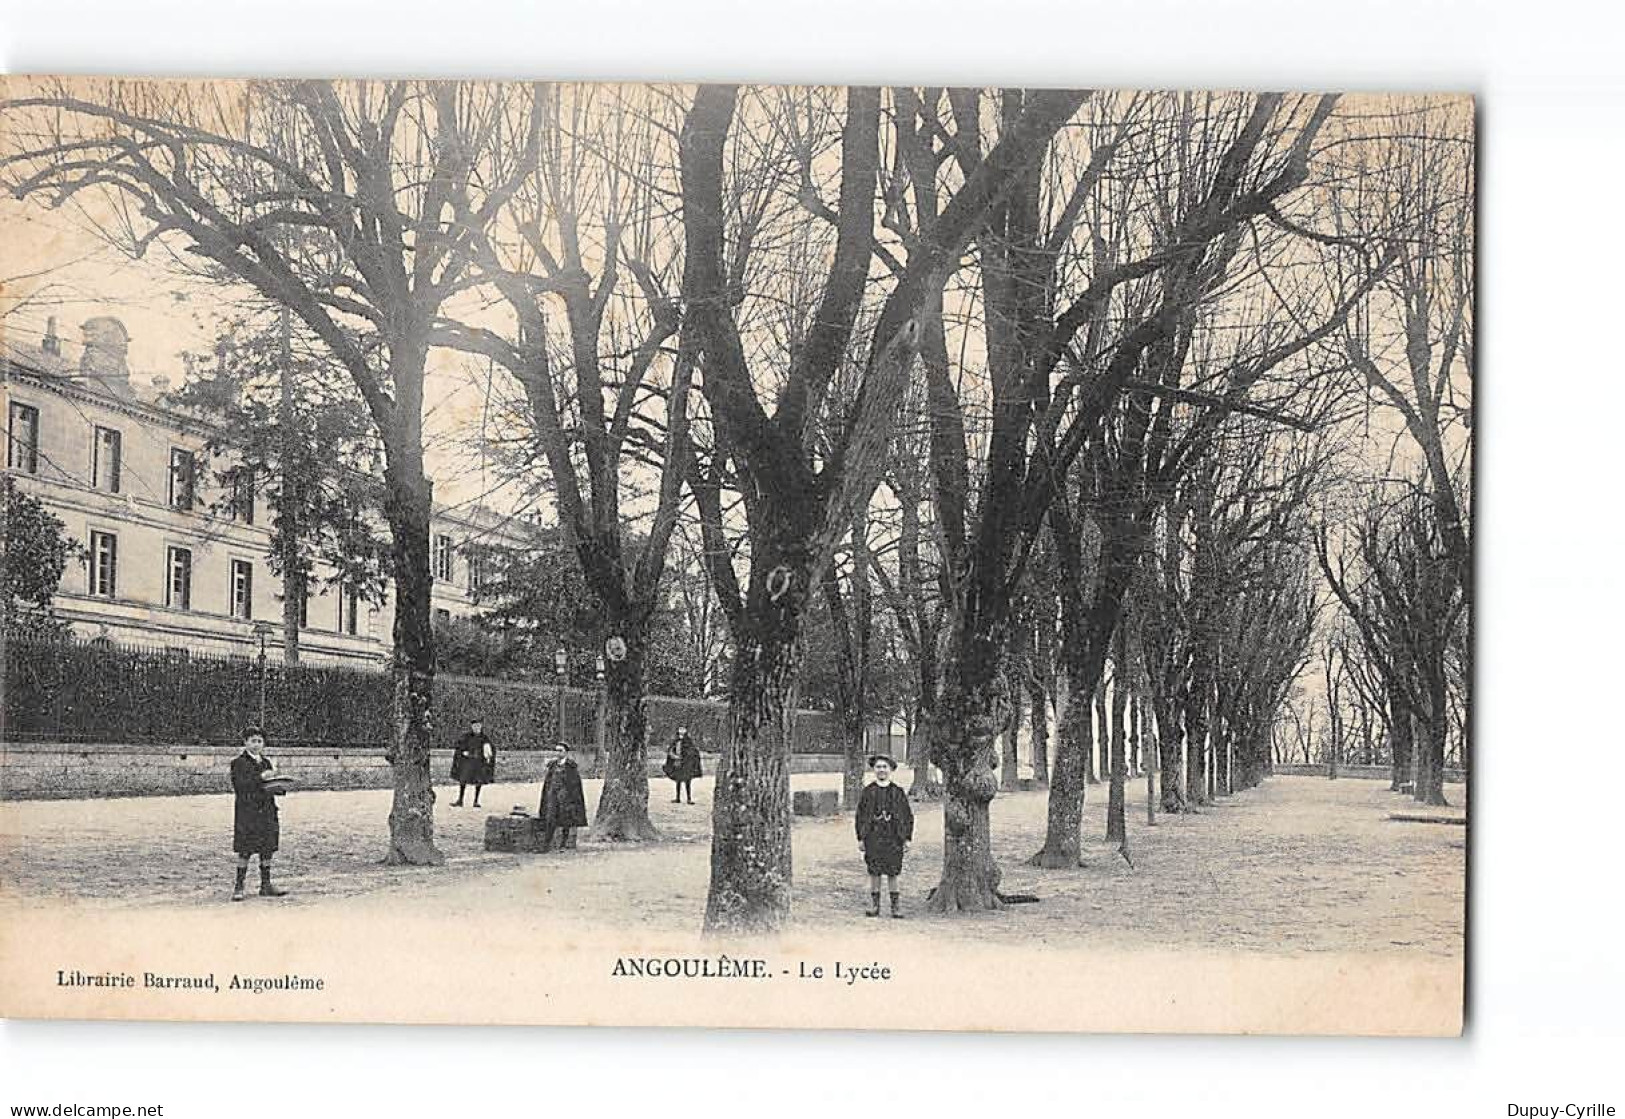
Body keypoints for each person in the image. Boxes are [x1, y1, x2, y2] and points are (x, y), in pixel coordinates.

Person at [230, 727, 288, 901]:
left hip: (267, 810)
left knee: (267, 847)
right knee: (245, 849)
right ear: (245, 742)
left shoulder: (267, 762)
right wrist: (262, 777)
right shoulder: (238, 763)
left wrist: (280, 786)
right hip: (248, 811)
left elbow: (270, 787)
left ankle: (266, 884)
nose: (256, 745)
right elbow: (240, 785)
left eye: (260, 741)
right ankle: (239, 886)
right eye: (253, 741)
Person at [855, 753, 913, 918]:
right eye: (878, 767)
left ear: (891, 770)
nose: (881, 770)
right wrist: (860, 837)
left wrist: (907, 838)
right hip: (873, 836)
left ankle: (895, 907)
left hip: (893, 837)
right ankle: (875, 905)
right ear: (874, 770)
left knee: (893, 871)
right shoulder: (868, 792)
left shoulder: (898, 792)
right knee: (874, 871)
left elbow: (907, 816)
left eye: (884, 767)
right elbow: (860, 816)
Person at [539, 742, 588, 851]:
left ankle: (563, 844)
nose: (558, 753)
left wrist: (572, 798)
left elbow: (575, 784)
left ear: (566, 752)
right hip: (553, 795)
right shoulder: (552, 765)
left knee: (566, 820)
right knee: (550, 818)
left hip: (565, 797)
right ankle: (546, 844)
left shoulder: (571, 766)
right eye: (556, 750)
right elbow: (548, 781)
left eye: (560, 751)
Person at [450, 718, 496, 808]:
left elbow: (489, 750)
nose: (476, 728)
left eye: (478, 726)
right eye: (475, 726)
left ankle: (476, 801)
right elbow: (460, 747)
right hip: (468, 762)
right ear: (471, 727)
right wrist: (463, 752)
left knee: (478, 781)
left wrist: (487, 756)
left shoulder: (484, 738)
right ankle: (460, 800)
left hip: (479, 763)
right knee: (463, 780)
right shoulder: (466, 737)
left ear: (481, 726)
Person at [662, 726, 703, 804]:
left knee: (688, 782)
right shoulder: (675, 741)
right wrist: (673, 756)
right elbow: (671, 750)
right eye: (680, 730)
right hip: (677, 764)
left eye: (683, 730)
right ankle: (677, 798)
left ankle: (689, 799)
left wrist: (686, 757)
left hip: (686, 765)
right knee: (678, 781)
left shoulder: (688, 741)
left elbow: (693, 752)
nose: (681, 732)